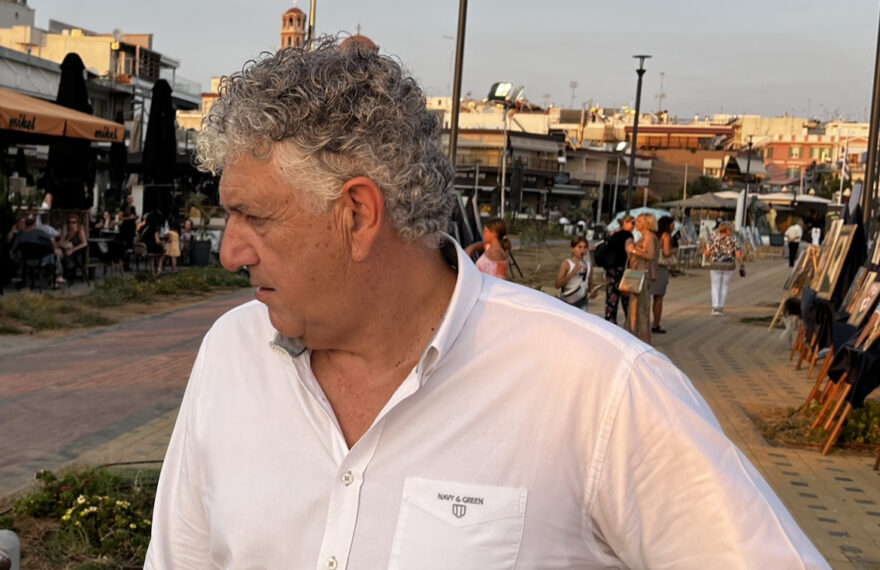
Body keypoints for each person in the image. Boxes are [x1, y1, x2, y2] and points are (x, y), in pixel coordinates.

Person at [145, 38, 829, 569]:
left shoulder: (597, 389)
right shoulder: (233, 354)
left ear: (358, 214)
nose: (231, 251)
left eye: (254, 217)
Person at [624, 213, 659, 343]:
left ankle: (642, 338)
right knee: (635, 307)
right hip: (638, 274)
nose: (636, 224)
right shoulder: (644, 237)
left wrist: (633, 250)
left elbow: (650, 255)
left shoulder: (649, 237)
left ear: (646, 223)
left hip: (643, 275)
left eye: (639, 221)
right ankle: (634, 334)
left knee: (641, 307)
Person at [703, 221, 744, 316]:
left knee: (715, 286)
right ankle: (721, 308)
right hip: (729, 266)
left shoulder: (713, 239)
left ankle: (715, 308)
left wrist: (711, 259)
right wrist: (742, 265)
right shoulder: (734, 240)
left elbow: (707, 252)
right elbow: (738, 255)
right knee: (725, 286)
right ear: (728, 230)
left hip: (715, 265)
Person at [603, 214, 634, 324]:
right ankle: (629, 323)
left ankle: (610, 321)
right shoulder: (628, 236)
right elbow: (629, 253)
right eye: (632, 223)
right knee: (626, 299)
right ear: (625, 223)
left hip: (611, 269)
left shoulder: (614, 233)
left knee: (611, 297)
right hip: (622, 269)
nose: (634, 226)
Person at [555, 235, 595, 311]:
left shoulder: (588, 265)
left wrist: (593, 292)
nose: (582, 250)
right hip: (568, 299)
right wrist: (573, 272)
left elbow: (590, 285)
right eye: (579, 247)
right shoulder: (567, 264)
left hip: (582, 301)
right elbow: (557, 285)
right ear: (573, 249)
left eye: (585, 247)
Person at [651, 215, 675, 334]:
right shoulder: (666, 235)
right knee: (658, 297)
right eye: (672, 224)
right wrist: (673, 251)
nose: (673, 226)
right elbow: (666, 252)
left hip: (651, 266)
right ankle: (656, 323)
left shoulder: (653, 235)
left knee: (648, 296)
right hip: (660, 268)